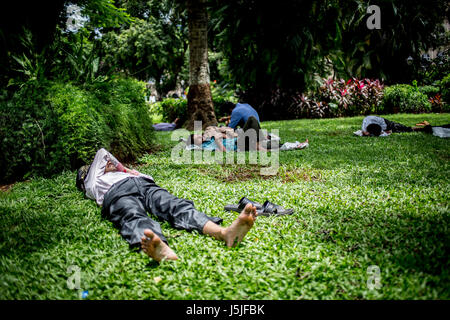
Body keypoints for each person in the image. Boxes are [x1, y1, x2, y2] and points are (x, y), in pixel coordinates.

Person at [76, 148, 258, 262]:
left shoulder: (128, 173)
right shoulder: (93, 183)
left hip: (146, 186)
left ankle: (223, 233)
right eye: (104, 165)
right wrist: (122, 169)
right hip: (118, 193)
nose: (108, 163)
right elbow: (102, 152)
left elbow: (149, 179)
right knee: (132, 215)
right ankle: (159, 247)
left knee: (177, 206)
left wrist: (129, 172)